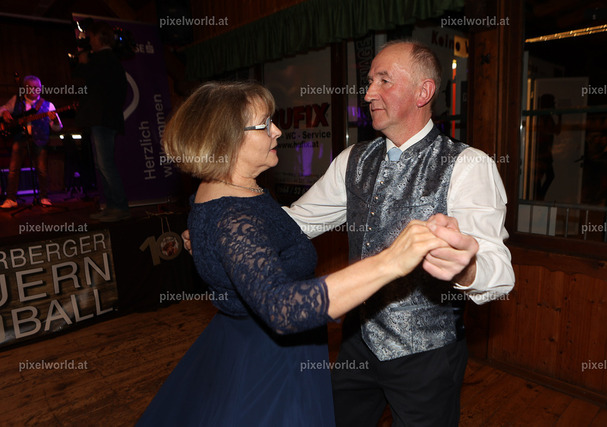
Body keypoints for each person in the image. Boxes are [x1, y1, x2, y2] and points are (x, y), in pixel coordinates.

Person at [183, 40, 514, 426]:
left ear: (423, 92)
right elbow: (298, 222)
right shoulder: (352, 159)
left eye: (383, 81)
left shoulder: (469, 165)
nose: (369, 93)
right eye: (369, 81)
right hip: (357, 343)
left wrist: (466, 268)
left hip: (427, 355)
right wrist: (223, 231)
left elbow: (500, 274)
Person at [138, 81, 448, 426]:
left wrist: (214, 242)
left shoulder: (229, 190)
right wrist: (390, 261)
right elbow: (283, 308)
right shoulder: (233, 217)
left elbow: (256, 231)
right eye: (264, 125)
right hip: (269, 364)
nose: (277, 131)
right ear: (226, 140)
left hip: (243, 343)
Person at [73, 20, 130, 222]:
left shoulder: (103, 59)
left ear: (98, 37)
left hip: (103, 119)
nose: (90, 41)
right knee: (102, 164)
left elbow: (85, 77)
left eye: (91, 37)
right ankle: (112, 206)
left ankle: (120, 207)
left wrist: (82, 60)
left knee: (105, 164)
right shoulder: (110, 60)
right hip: (104, 118)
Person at [0, 75, 62, 209]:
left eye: (36, 87)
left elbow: (57, 128)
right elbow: (2, 109)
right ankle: (10, 199)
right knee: (13, 169)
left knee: (42, 170)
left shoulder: (48, 105)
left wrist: (55, 120)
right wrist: (4, 112)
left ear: (41, 88)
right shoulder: (17, 101)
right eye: (30, 87)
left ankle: (44, 197)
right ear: (24, 88)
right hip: (20, 138)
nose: (34, 90)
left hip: (40, 140)